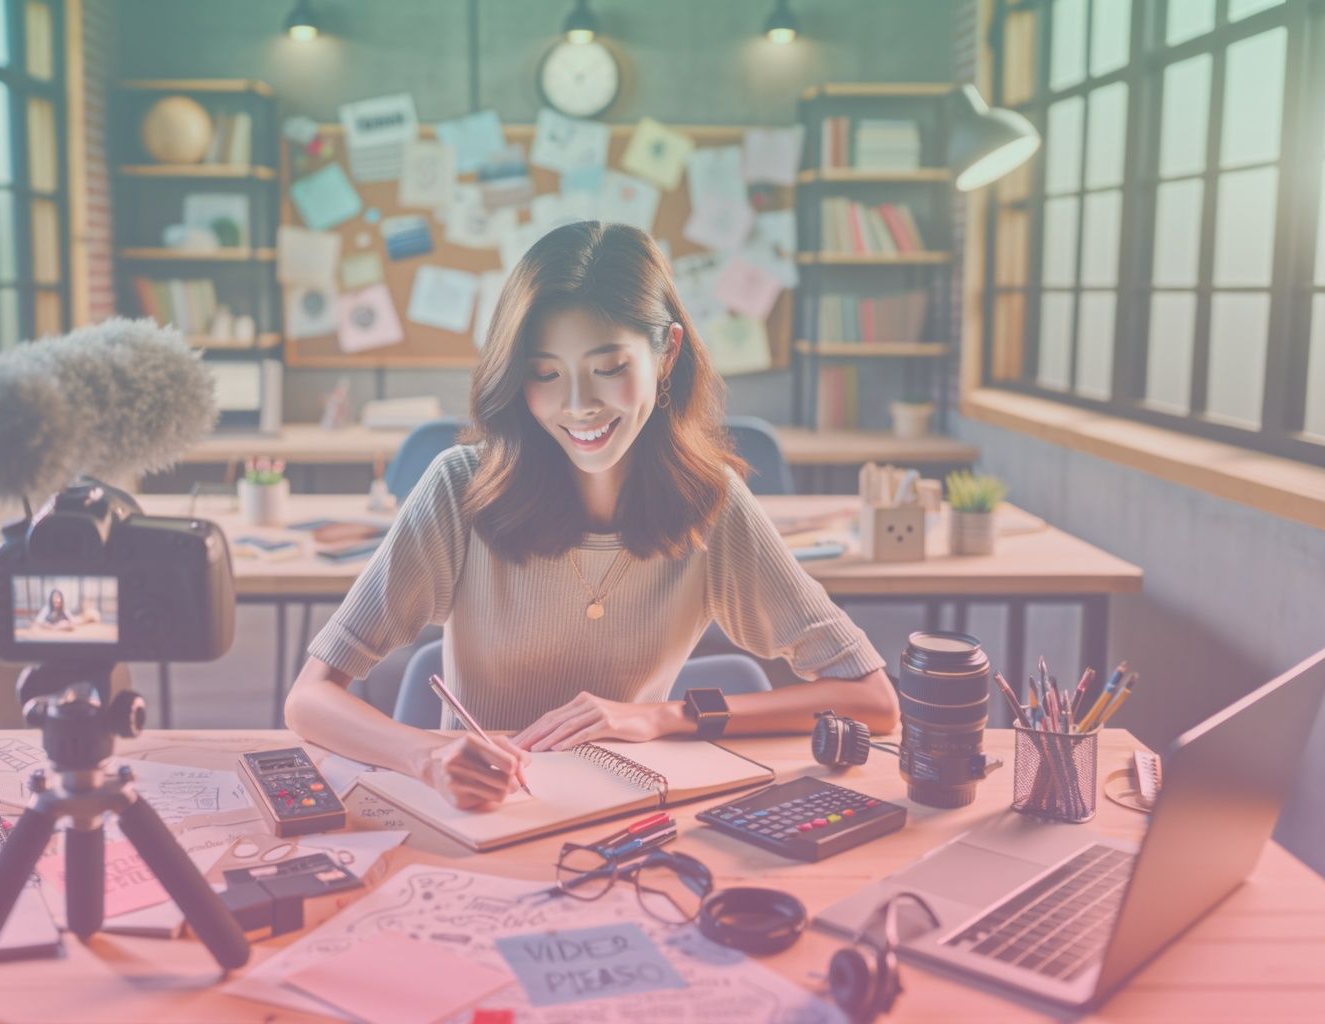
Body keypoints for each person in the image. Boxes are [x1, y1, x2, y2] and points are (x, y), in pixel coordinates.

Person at [286, 222, 898, 810]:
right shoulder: (459, 488)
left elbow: (872, 699)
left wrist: (665, 715)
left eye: (609, 369)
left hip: (629, 816)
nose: (579, 406)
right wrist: (427, 757)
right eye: (545, 374)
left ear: (666, 354)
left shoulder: (712, 506)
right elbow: (309, 700)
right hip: (487, 813)